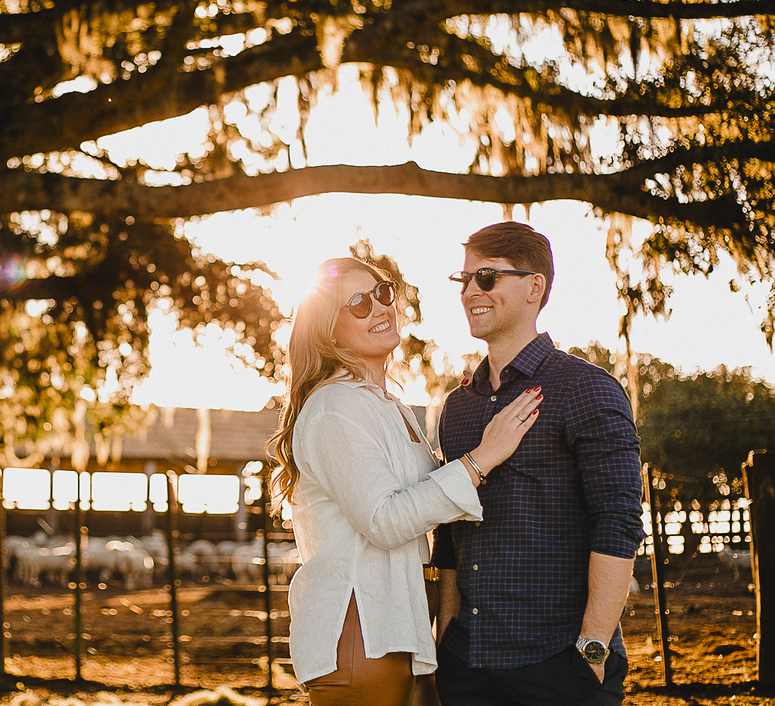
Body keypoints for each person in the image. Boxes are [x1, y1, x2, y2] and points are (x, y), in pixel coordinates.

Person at [267, 256, 544, 706]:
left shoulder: (388, 405)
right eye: (357, 303)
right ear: (327, 330)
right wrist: (482, 458)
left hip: (398, 622)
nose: (379, 308)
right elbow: (384, 518)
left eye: (382, 293)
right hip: (361, 626)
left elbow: (424, 494)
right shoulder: (337, 407)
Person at [432, 222, 645, 706]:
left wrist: (591, 652)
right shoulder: (457, 407)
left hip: (559, 664)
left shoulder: (586, 389)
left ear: (535, 286)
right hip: (467, 663)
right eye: (463, 280)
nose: (470, 291)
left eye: (486, 278)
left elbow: (618, 524)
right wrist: (447, 634)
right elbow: (450, 532)